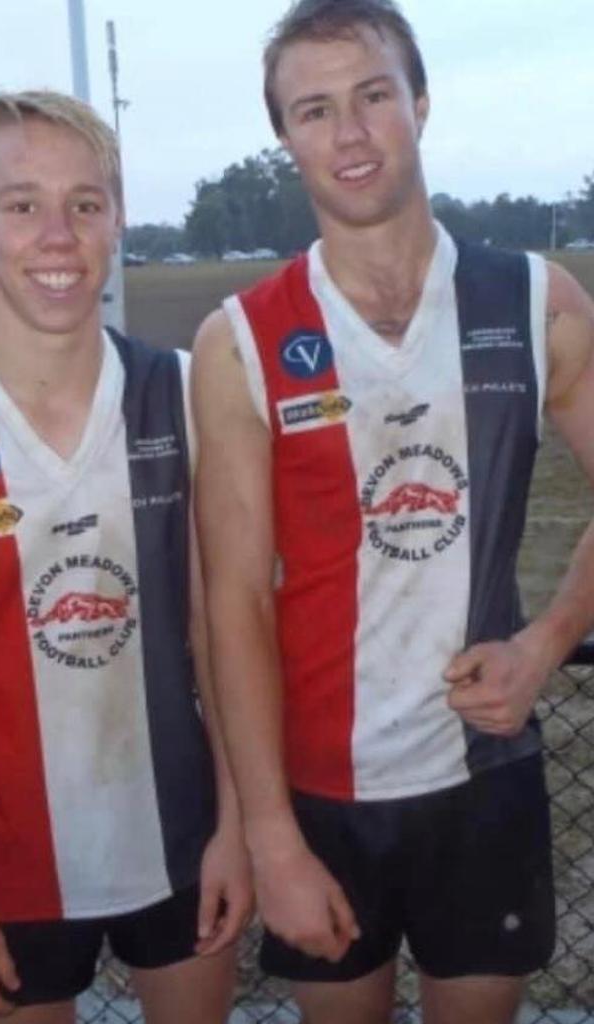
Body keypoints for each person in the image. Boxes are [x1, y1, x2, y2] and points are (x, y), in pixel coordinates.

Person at [191, 2, 594, 1022]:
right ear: (286, 139)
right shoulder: (240, 340)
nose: (352, 133)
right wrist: (271, 837)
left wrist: (547, 643)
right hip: (323, 796)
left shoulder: (535, 301)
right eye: (315, 110)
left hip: (484, 774)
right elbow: (232, 601)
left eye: (373, 95)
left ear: (419, 101)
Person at [0, 90, 251, 1024]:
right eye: (23, 205)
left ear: (116, 219)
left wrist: (239, 826)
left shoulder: (183, 395)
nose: (58, 236)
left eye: (86, 203)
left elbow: (218, 630)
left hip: (180, 843)